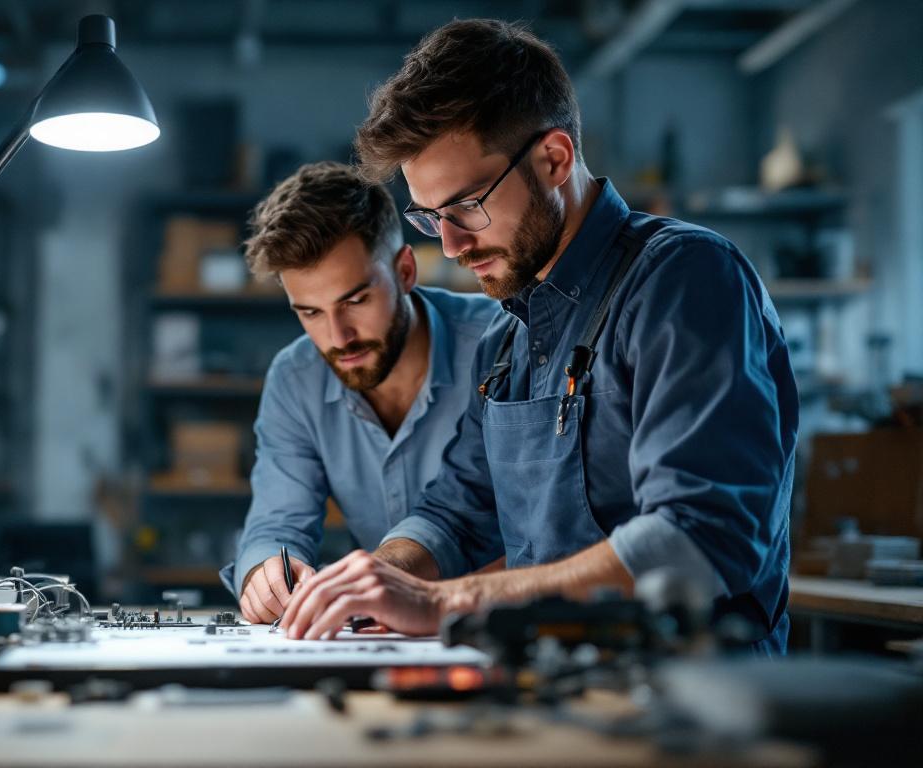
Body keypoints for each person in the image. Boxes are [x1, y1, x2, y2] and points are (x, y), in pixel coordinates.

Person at [279, 19, 798, 654]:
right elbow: (458, 513)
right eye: (431, 217)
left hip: (690, 690)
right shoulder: (508, 337)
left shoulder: (684, 279)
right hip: (552, 680)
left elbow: (700, 537)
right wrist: (378, 576)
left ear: (554, 159)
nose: (451, 245)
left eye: (467, 206)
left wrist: (445, 601)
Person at [223, 161, 500, 623]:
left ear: (405, 271)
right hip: (382, 630)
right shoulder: (296, 379)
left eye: (355, 301)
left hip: (506, 620)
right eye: (310, 312)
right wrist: (265, 574)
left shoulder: (502, 345)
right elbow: (276, 524)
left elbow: (548, 534)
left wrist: (424, 592)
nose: (339, 337)